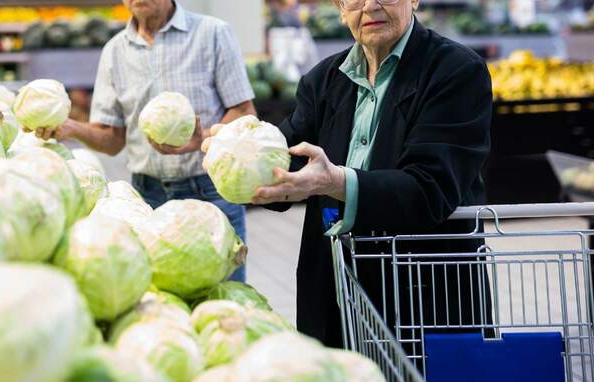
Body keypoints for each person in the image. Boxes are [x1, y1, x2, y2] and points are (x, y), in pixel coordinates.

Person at [204, 0, 493, 348]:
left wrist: (336, 182)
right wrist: (241, 151)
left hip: (423, 294)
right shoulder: (323, 79)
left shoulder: (456, 72)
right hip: (336, 290)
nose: (369, 5)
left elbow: (429, 188)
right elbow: (287, 157)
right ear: (341, 9)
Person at [35, 0, 256, 282]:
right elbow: (112, 139)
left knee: (226, 300)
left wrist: (204, 139)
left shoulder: (213, 33)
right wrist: (71, 128)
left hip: (209, 194)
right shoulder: (115, 51)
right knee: (162, 303)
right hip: (147, 199)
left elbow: (243, 110)